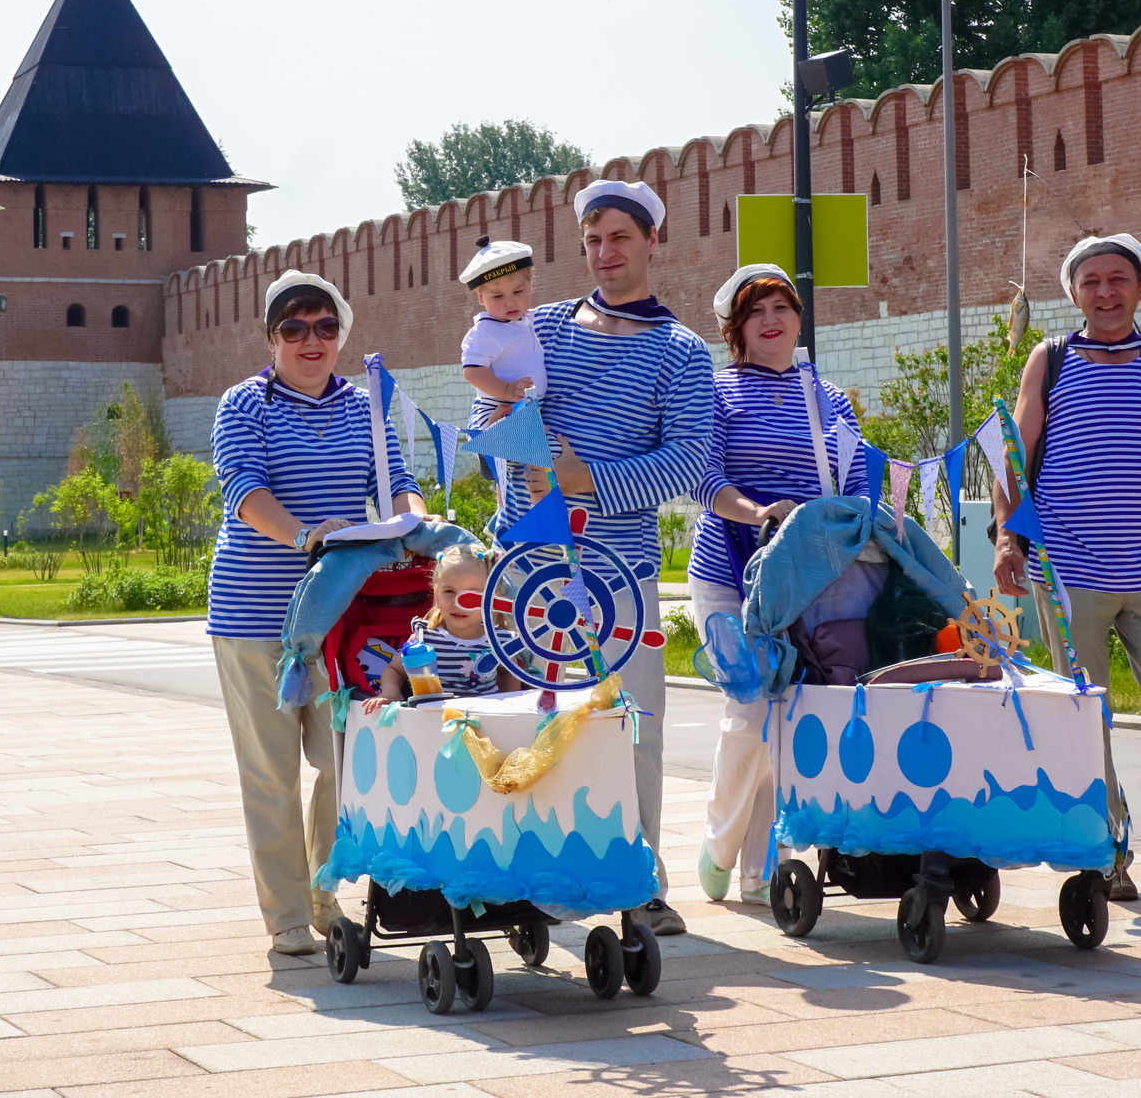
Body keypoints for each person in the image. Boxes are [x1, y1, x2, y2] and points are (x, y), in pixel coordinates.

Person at [493, 179, 714, 937]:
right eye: (592, 239)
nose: (604, 252)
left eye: (620, 237)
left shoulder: (683, 350)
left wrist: (592, 479)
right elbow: (489, 415)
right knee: (535, 720)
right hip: (533, 569)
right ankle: (533, 877)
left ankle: (640, 880)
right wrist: (512, 442)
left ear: (653, 241)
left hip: (624, 574)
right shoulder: (541, 327)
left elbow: (688, 463)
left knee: (635, 726)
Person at [994, 233, 1141, 901]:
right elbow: (1014, 457)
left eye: (1118, 280)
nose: (1106, 292)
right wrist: (1008, 541)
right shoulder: (1051, 359)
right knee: (1083, 719)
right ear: (1074, 294)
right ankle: (1104, 857)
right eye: (1092, 281)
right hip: (1070, 569)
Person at [209, 270, 425, 955]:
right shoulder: (242, 404)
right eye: (294, 328)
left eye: (325, 327)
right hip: (254, 612)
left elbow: (398, 488)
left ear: (342, 336)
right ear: (271, 339)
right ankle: (283, 917)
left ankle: (323, 895)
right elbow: (243, 490)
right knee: (271, 771)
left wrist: (418, 524)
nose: (312, 340)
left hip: (339, 616)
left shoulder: (365, 407)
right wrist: (308, 535)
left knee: (343, 761)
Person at [689, 264, 871, 904]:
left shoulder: (829, 397)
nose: (772, 320)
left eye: (782, 308)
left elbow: (855, 480)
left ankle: (763, 869)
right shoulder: (716, 392)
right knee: (748, 710)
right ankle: (717, 850)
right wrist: (760, 512)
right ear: (736, 329)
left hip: (803, 579)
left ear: (798, 319)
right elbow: (705, 481)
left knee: (786, 718)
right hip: (727, 572)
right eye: (755, 311)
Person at [360, 545, 518, 713]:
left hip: (485, 724)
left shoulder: (500, 641)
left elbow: (508, 674)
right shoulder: (424, 638)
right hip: (433, 725)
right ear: (436, 594)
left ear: (493, 600)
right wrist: (390, 694)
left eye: (471, 595)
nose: (458, 602)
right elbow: (394, 670)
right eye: (449, 591)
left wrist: (508, 706)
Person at [459, 238, 547, 406]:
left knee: (548, 434)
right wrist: (505, 390)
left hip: (529, 408)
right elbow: (472, 371)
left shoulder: (528, 320)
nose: (510, 301)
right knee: (531, 434)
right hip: (498, 407)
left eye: (518, 291)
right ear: (481, 298)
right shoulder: (486, 331)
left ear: (531, 286)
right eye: (498, 296)